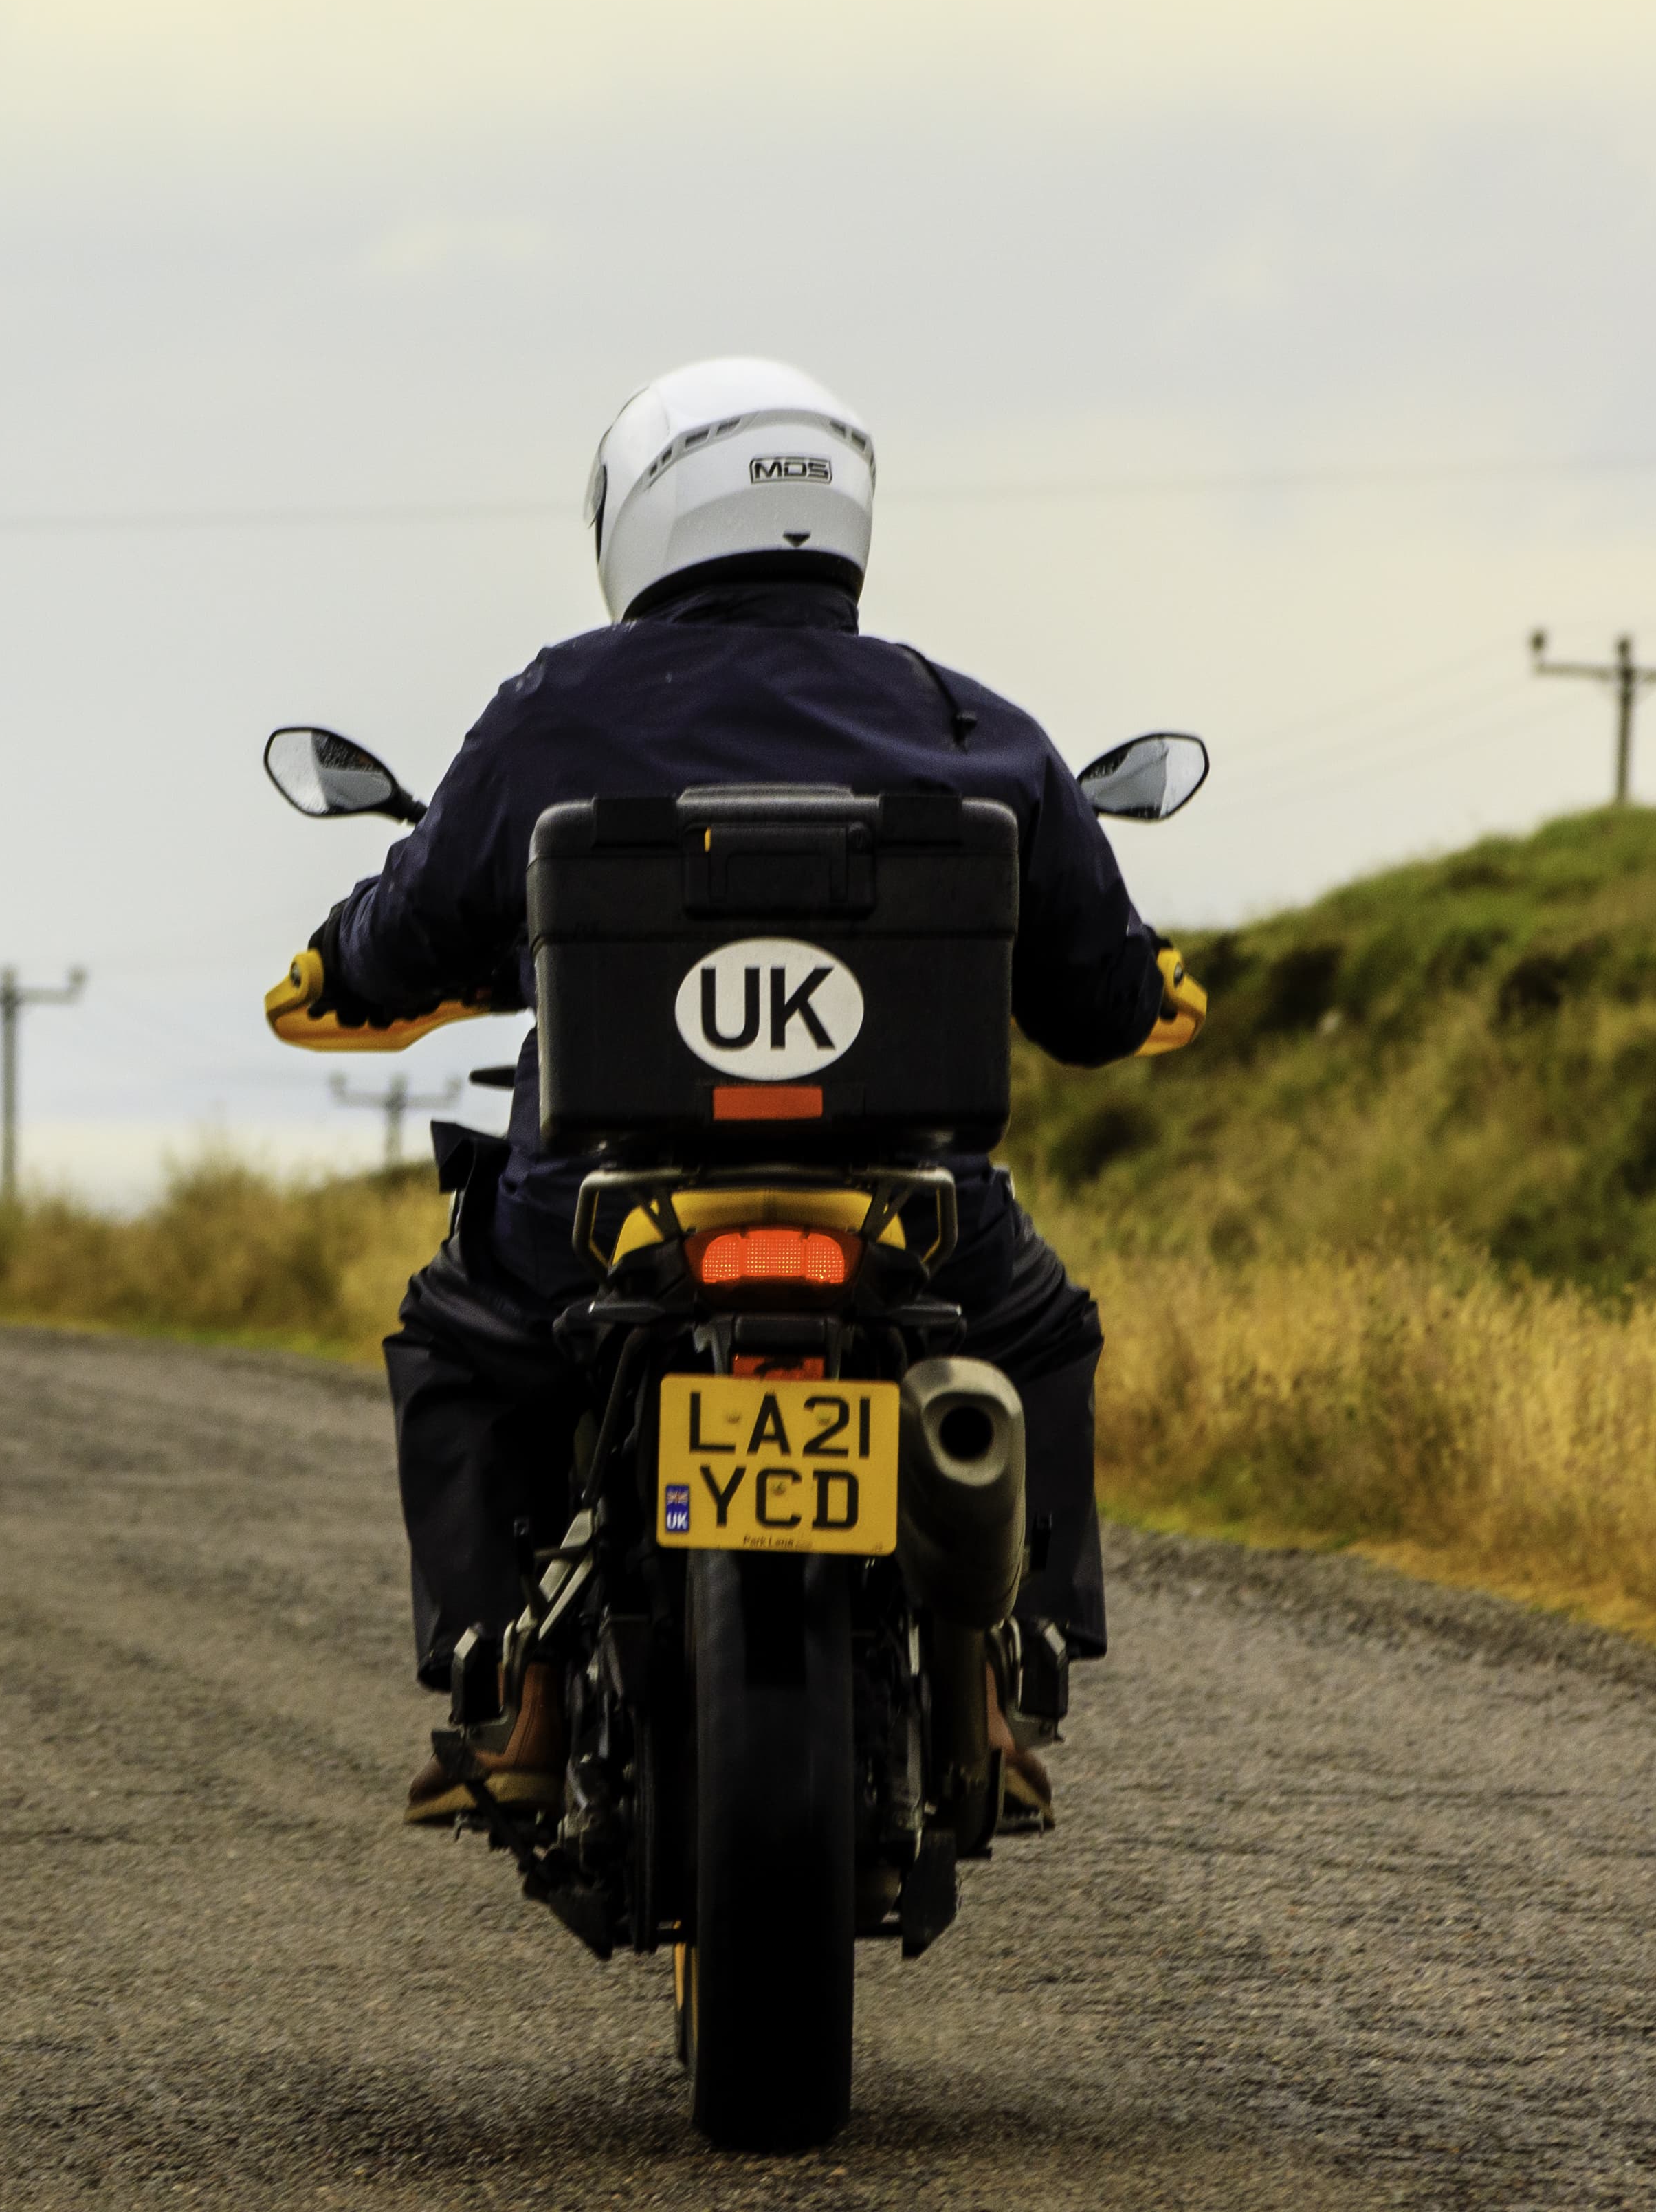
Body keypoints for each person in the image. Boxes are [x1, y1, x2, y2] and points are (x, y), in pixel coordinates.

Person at [263, 357, 1205, 1831]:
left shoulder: (556, 706)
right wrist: (1159, 989)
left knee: (457, 1340)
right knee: (1039, 1333)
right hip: (911, 1210)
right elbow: (1101, 994)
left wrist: (337, 967)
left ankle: (516, 1692)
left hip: (594, 1211)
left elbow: (416, 920)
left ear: (643, 512)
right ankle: (999, 1682)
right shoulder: (969, 725)